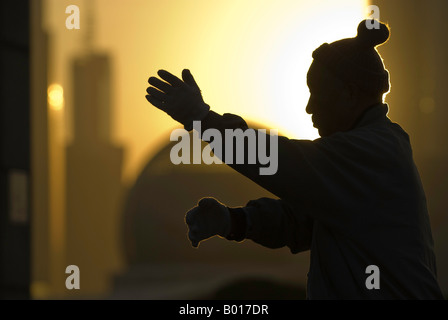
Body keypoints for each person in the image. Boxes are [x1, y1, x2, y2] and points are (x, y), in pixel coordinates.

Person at [145, 19, 444, 299]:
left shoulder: (369, 154)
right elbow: (301, 223)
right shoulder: (368, 157)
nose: (309, 108)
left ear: (350, 94)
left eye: (318, 93)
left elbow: (278, 160)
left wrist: (202, 120)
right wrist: (233, 221)